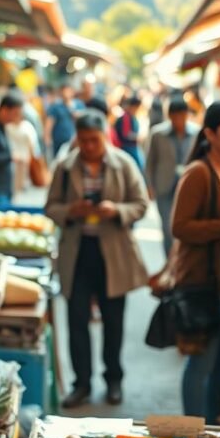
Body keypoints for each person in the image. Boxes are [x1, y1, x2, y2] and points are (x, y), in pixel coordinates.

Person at [45, 110, 149, 408]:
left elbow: (141, 204)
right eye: (84, 140)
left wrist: (116, 210)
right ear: (77, 139)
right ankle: (82, 384)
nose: (89, 146)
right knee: (76, 319)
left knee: (113, 320)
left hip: (113, 252)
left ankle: (113, 379)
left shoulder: (123, 164)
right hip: (77, 252)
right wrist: (70, 211)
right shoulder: (65, 168)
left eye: (94, 140)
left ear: (104, 136)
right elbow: (50, 206)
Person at [165, 101, 220, 423]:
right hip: (201, 281)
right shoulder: (199, 173)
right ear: (209, 134)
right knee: (202, 361)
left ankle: (212, 424)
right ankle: (193, 428)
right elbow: (179, 227)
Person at [145, 97, 199, 255]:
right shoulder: (158, 134)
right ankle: (169, 262)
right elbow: (150, 162)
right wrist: (149, 186)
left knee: (185, 227)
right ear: (169, 116)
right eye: (174, 117)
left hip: (188, 187)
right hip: (164, 186)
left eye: (181, 116)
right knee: (167, 228)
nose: (178, 120)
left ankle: (181, 262)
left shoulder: (196, 132)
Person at [45, 83, 83, 160]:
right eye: (63, 91)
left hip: (76, 143)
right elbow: (49, 125)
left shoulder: (79, 105)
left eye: (68, 91)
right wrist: (47, 139)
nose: (66, 93)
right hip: (60, 143)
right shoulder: (55, 107)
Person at [114, 95, 144, 170]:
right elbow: (125, 134)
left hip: (133, 147)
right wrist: (136, 137)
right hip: (127, 148)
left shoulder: (132, 117)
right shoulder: (125, 117)